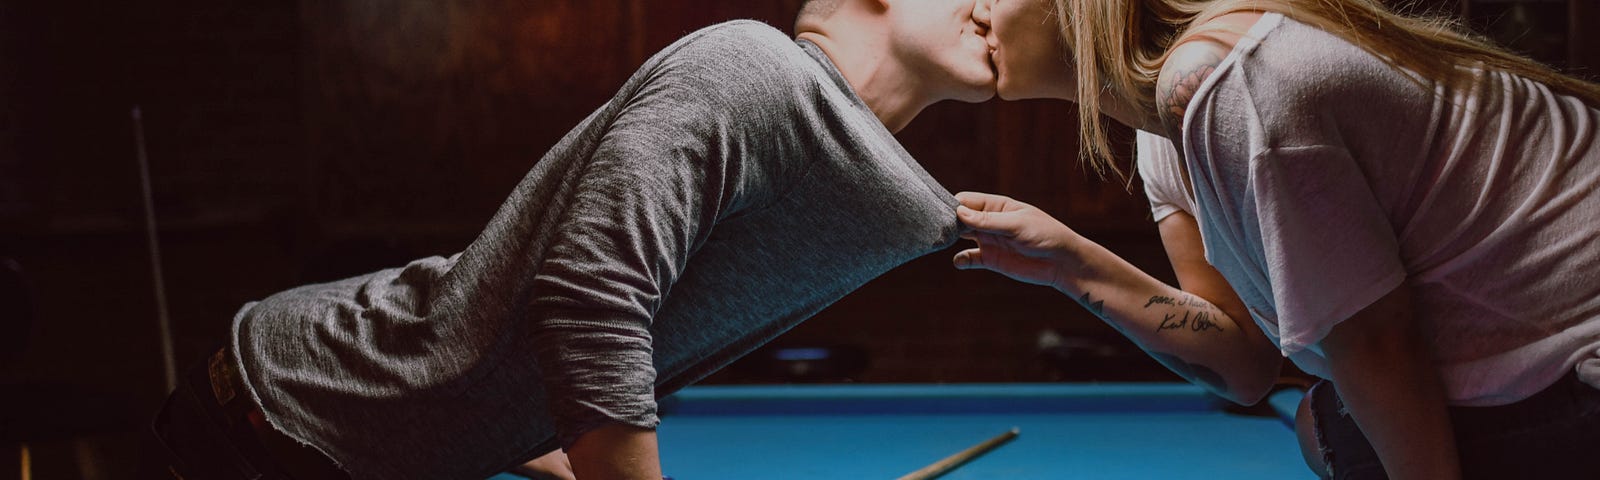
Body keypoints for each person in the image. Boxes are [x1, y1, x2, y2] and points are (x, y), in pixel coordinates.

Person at [150, 1, 996, 479]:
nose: (993, 5)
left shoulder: (832, 149)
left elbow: (520, 343)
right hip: (278, 420)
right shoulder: (758, 67)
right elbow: (587, 298)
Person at [958, 0, 1600, 479]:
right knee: (1325, 428)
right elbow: (1245, 366)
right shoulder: (1164, 126)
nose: (971, 12)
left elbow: (1380, 344)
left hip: (1583, 360)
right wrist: (1066, 261)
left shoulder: (1216, 81)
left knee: (1335, 434)